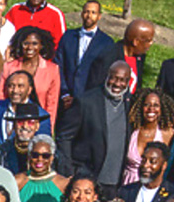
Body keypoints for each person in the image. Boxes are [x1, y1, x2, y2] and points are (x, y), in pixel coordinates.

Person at [55, 61, 133, 193]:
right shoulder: (86, 101)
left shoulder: (130, 104)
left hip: (114, 183)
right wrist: (69, 170)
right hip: (87, 179)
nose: (117, 84)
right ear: (107, 76)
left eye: (122, 80)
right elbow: (64, 136)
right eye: (114, 78)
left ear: (128, 82)